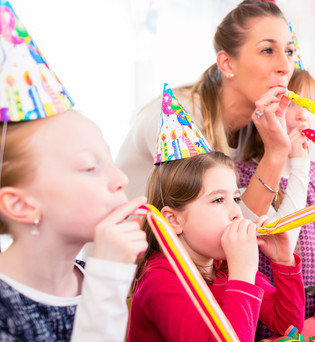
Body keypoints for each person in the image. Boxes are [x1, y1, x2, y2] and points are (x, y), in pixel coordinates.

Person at [0, 3, 147, 342]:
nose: (121, 178)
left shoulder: (91, 276)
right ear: (21, 204)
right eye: (89, 168)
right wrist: (109, 281)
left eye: (110, 160)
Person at [124, 86, 304, 342]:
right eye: (218, 200)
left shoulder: (221, 265)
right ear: (173, 220)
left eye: (235, 198)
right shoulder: (160, 279)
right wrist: (243, 275)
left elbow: (289, 326)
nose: (236, 213)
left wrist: (284, 261)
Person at [117, 0, 294, 223]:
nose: (286, 67)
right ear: (227, 64)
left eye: (289, 51)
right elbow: (227, 230)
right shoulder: (177, 118)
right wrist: (276, 153)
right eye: (267, 50)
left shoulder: (260, 125)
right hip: (129, 255)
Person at [237, 69, 315, 339]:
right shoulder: (245, 175)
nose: (304, 115)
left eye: (311, 105)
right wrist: (299, 164)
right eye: (294, 104)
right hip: (273, 317)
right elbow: (283, 237)